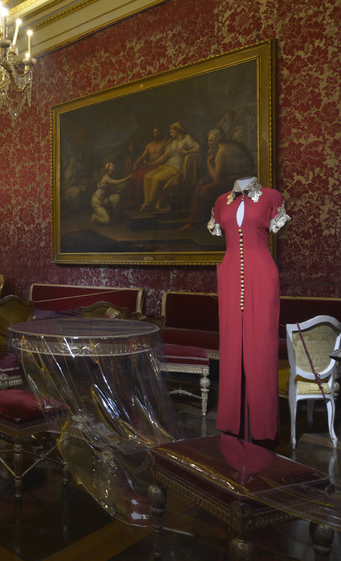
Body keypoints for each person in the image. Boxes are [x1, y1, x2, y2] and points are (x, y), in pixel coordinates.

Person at [208, 176, 290, 447]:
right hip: (229, 276)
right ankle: (232, 424)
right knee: (231, 347)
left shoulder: (271, 197)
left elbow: (276, 226)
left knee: (261, 348)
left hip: (262, 275)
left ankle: (264, 429)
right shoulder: (221, 202)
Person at [179, 128, 256, 231]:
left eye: (210, 140)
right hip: (235, 178)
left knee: (205, 190)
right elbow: (223, 171)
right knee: (199, 187)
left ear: (217, 139)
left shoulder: (221, 151)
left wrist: (208, 162)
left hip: (238, 181)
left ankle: (213, 222)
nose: (209, 144)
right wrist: (206, 179)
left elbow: (216, 178)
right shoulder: (229, 145)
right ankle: (195, 223)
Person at [139, 122, 200, 212]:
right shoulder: (173, 143)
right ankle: (148, 201)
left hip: (176, 168)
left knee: (157, 178)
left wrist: (187, 152)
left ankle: (150, 202)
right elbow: (164, 156)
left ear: (177, 130)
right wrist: (153, 164)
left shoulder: (187, 139)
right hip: (166, 166)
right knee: (147, 176)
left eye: (172, 132)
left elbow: (198, 148)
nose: (170, 134)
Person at [126, 127, 170, 207]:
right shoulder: (149, 145)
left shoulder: (165, 144)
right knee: (131, 177)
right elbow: (142, 157)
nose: (156, 134)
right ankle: (132, 202)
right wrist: (136, 164)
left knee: (141, 176)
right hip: (147, 167)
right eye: (154, 132)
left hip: (158, 167)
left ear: (161, 133)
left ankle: (141, 201)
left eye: (157, 132)